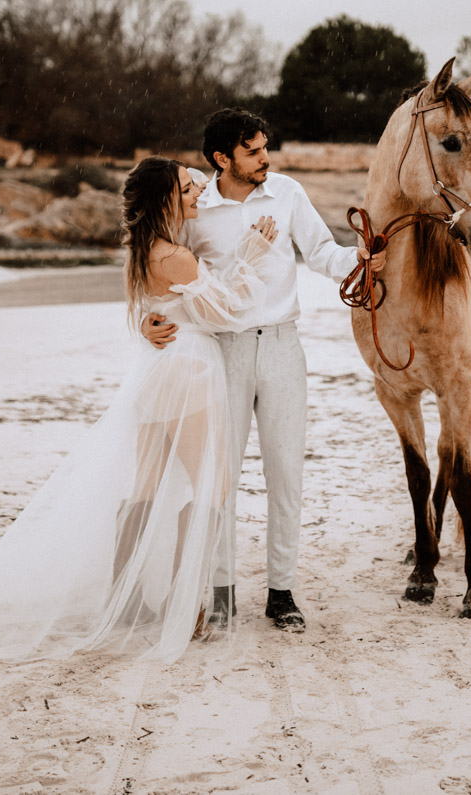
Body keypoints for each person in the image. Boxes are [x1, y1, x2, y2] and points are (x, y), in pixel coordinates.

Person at [0, 156, 278, 663]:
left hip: (155, 370)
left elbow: (153, 311)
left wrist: (149, 324)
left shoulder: (142, 250)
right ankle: (184, 606)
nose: (197, 191)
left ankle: (125, 596)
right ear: (165, 199)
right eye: (187, 187)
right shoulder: (174, 255)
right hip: (187, 370)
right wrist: (252, 253)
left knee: (147, 482)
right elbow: (225, 313)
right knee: (212, 487)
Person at [141, 108, 383, 632]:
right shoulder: (196, 207)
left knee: (284, 473)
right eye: (252, 151)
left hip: (281, 345)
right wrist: (150, 320)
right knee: (218, 477)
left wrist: (359, 261)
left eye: (264, 147)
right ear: (221, 159)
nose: (265, 158)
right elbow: (163, 270)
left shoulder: (289, 193)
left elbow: (320, 251)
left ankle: (281, 591)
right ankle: (223, 591)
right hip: (220, 351)